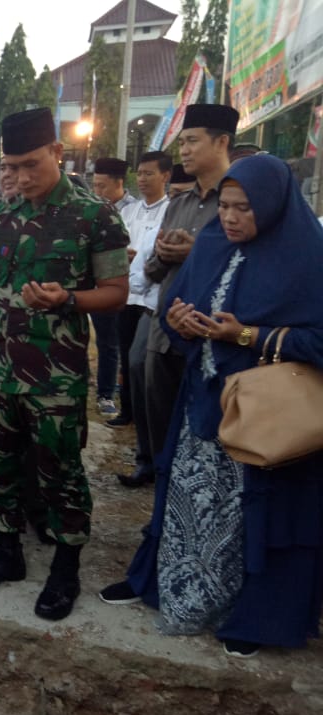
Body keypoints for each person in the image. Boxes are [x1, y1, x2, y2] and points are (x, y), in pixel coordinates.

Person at [100, 155, 323, 658]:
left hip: (267, 418)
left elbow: (319, 342)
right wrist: (180, 324)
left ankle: (256, 617)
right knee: (189, 505)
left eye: (244, 208)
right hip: (202, 405)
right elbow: (179, 311)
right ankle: (167, 587)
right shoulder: (211, 247)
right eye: (224, 206)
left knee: (253, 514)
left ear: (271, 206)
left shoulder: (306, 256)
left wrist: (244, 334)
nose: (230, 218)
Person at [0, 108, 129, 621]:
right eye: (12, 166)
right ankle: (7, 555)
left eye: (30, 164)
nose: (21, 177)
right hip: (0, 368)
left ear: (57, 154)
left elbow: (116, 293)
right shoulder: (1, 218)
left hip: (57, 375)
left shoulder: (96, 217)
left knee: (61, 473)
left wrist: (67, 299)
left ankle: (65, 568)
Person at [143, 105, 237, 463]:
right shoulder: (178, 203)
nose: (183, 150)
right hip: (165, 331)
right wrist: (165, 256)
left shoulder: (240, 202)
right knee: (161, 425)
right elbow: (151, 269)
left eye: (192, 141)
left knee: (209, 431)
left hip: (216, 333)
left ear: (222, 142)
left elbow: (246, 264)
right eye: (181, 142)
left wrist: (196, 252)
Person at [109, 152, 171, 434]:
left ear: (165, 176)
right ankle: (128, 409)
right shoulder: (127, 211)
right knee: (126, 353)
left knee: (143, 359)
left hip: (151, 296)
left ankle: (147, 412)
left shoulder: (171, 209)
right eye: (140, 173)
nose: (143, 179)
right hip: (126, 293)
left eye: (149, 173)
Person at [89, 157, 136, 418]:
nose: (98, 192)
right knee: (97, 336)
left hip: (127, 286)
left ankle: (106, 393)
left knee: (111, 344)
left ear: (119, 183)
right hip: (97, 285)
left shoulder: (136, 209)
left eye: (103, 186)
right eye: (95, 186)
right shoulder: (91, 210)